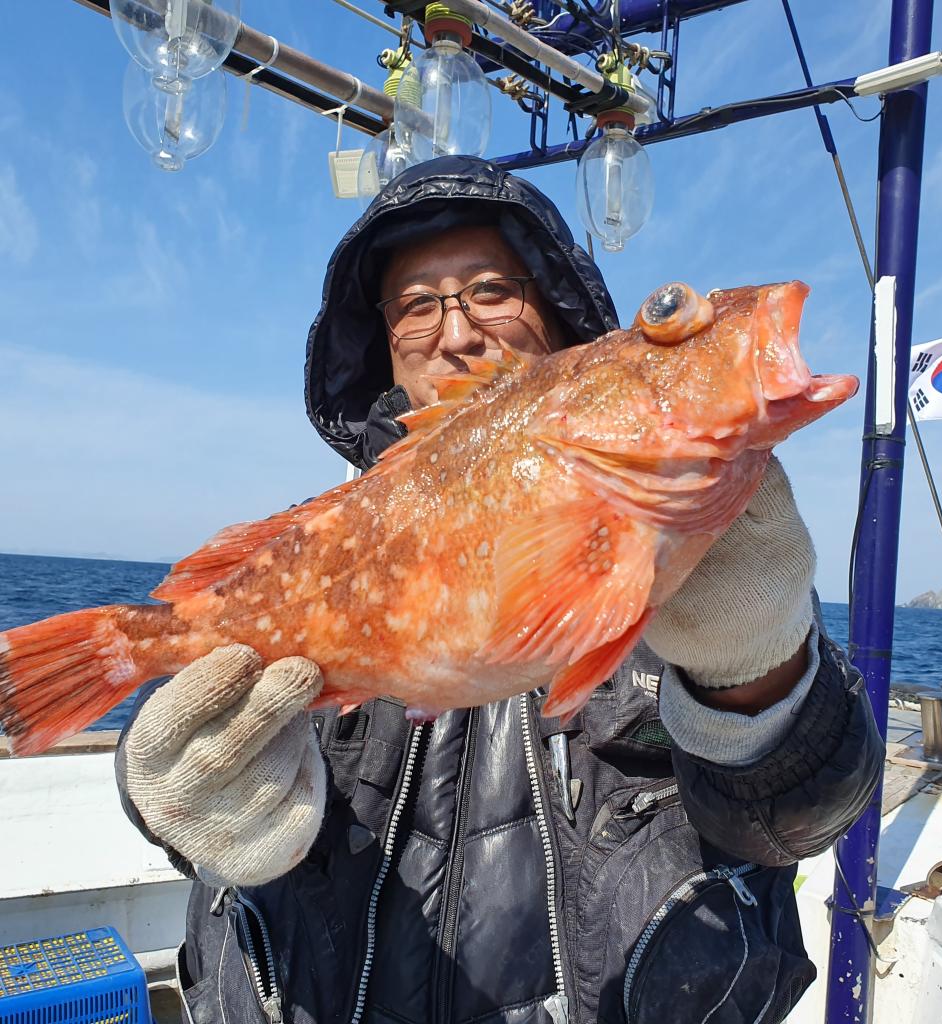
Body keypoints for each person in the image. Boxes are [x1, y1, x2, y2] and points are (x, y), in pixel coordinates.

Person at [116, 156, 884, 1024]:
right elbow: (191, 752)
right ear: (382, 343)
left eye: (491, 290)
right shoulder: (316, 544)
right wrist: (179, 799)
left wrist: (759, 670)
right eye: (415, 306)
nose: (456, 333)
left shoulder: (700, 550)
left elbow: (795, 822)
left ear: (563, 324)